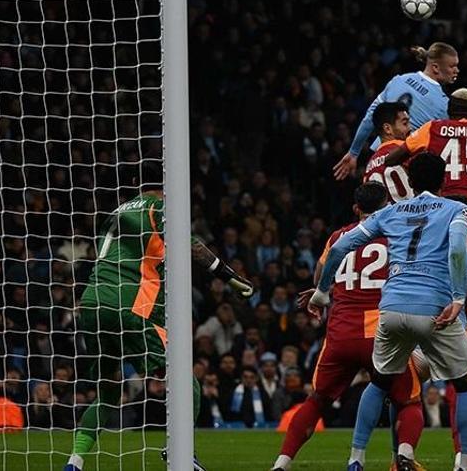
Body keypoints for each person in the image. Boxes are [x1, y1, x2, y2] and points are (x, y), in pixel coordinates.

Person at [309, 153, 467, 471]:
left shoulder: (390, 211)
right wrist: (458, 296)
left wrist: (321, 293)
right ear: (443, 181)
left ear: (410, 182)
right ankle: (466, 464)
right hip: (433, 309)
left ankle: (356, 458)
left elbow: (339, 248)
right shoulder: (456, 209)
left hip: (390, 310)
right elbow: (458, 247)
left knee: (379, 382)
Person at [65, 191, 255, 471]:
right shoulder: (157, 206)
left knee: (106, 392)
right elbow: (192, 246)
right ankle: (181, 453)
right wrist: (231, 278)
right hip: (133, 303)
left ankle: (74, 462)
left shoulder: (117, 213)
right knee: (185, 382)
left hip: (92, 302)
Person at [272, 182, 424, 471]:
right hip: (384, 333)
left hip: (342, 333)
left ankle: (282, 463)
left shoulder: (338, 237)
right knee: (409, 400)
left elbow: (321, 277)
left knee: (317, 401)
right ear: (388, 205)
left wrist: (321, 290)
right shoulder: (398, 235)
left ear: (357, 209)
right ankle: (403, 458)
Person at [333, 43, 459, 180]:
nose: (456, 70)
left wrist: (353, 152)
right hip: (409, 170)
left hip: (377, 161)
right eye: (452, 66)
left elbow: (370, 116)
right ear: (435, 67)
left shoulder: (398, 80)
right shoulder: (444, 105)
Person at [363, 101, 415, 203]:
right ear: (387, 128)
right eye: (405, 123)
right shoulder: (407, 150)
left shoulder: (369, 166)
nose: (410, 128)